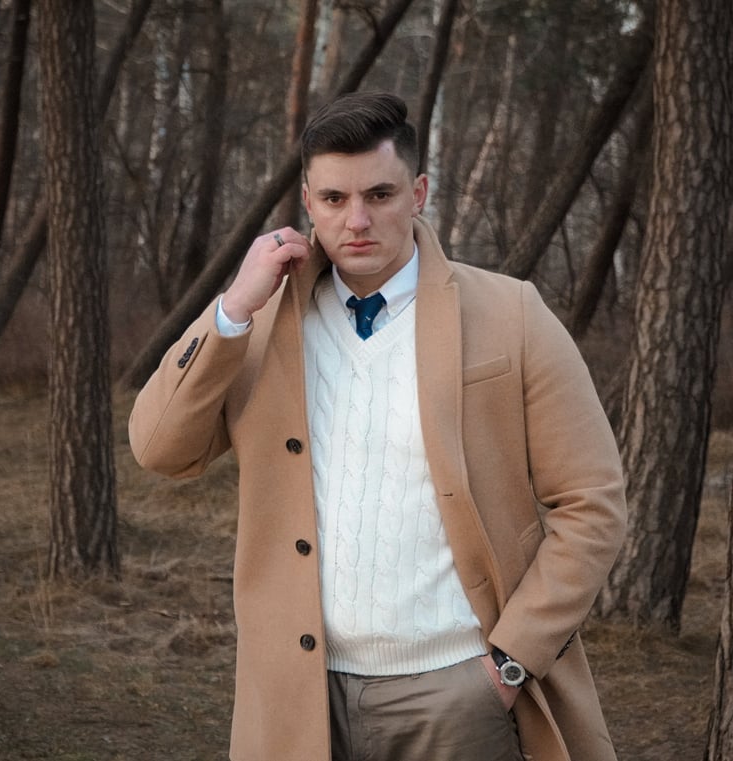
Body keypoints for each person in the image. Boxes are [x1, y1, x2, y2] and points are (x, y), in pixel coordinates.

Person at [129, 91, 627, 761]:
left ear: (417, 193)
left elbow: (593, 504)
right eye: (334, 198)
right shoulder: (261, 324)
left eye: (380, 194)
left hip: (459, 697)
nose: (356, 220)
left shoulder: (511, 314)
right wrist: (235, 307)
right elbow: (158, 447)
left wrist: (509, 665)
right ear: (308, 203)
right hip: (298, 700)